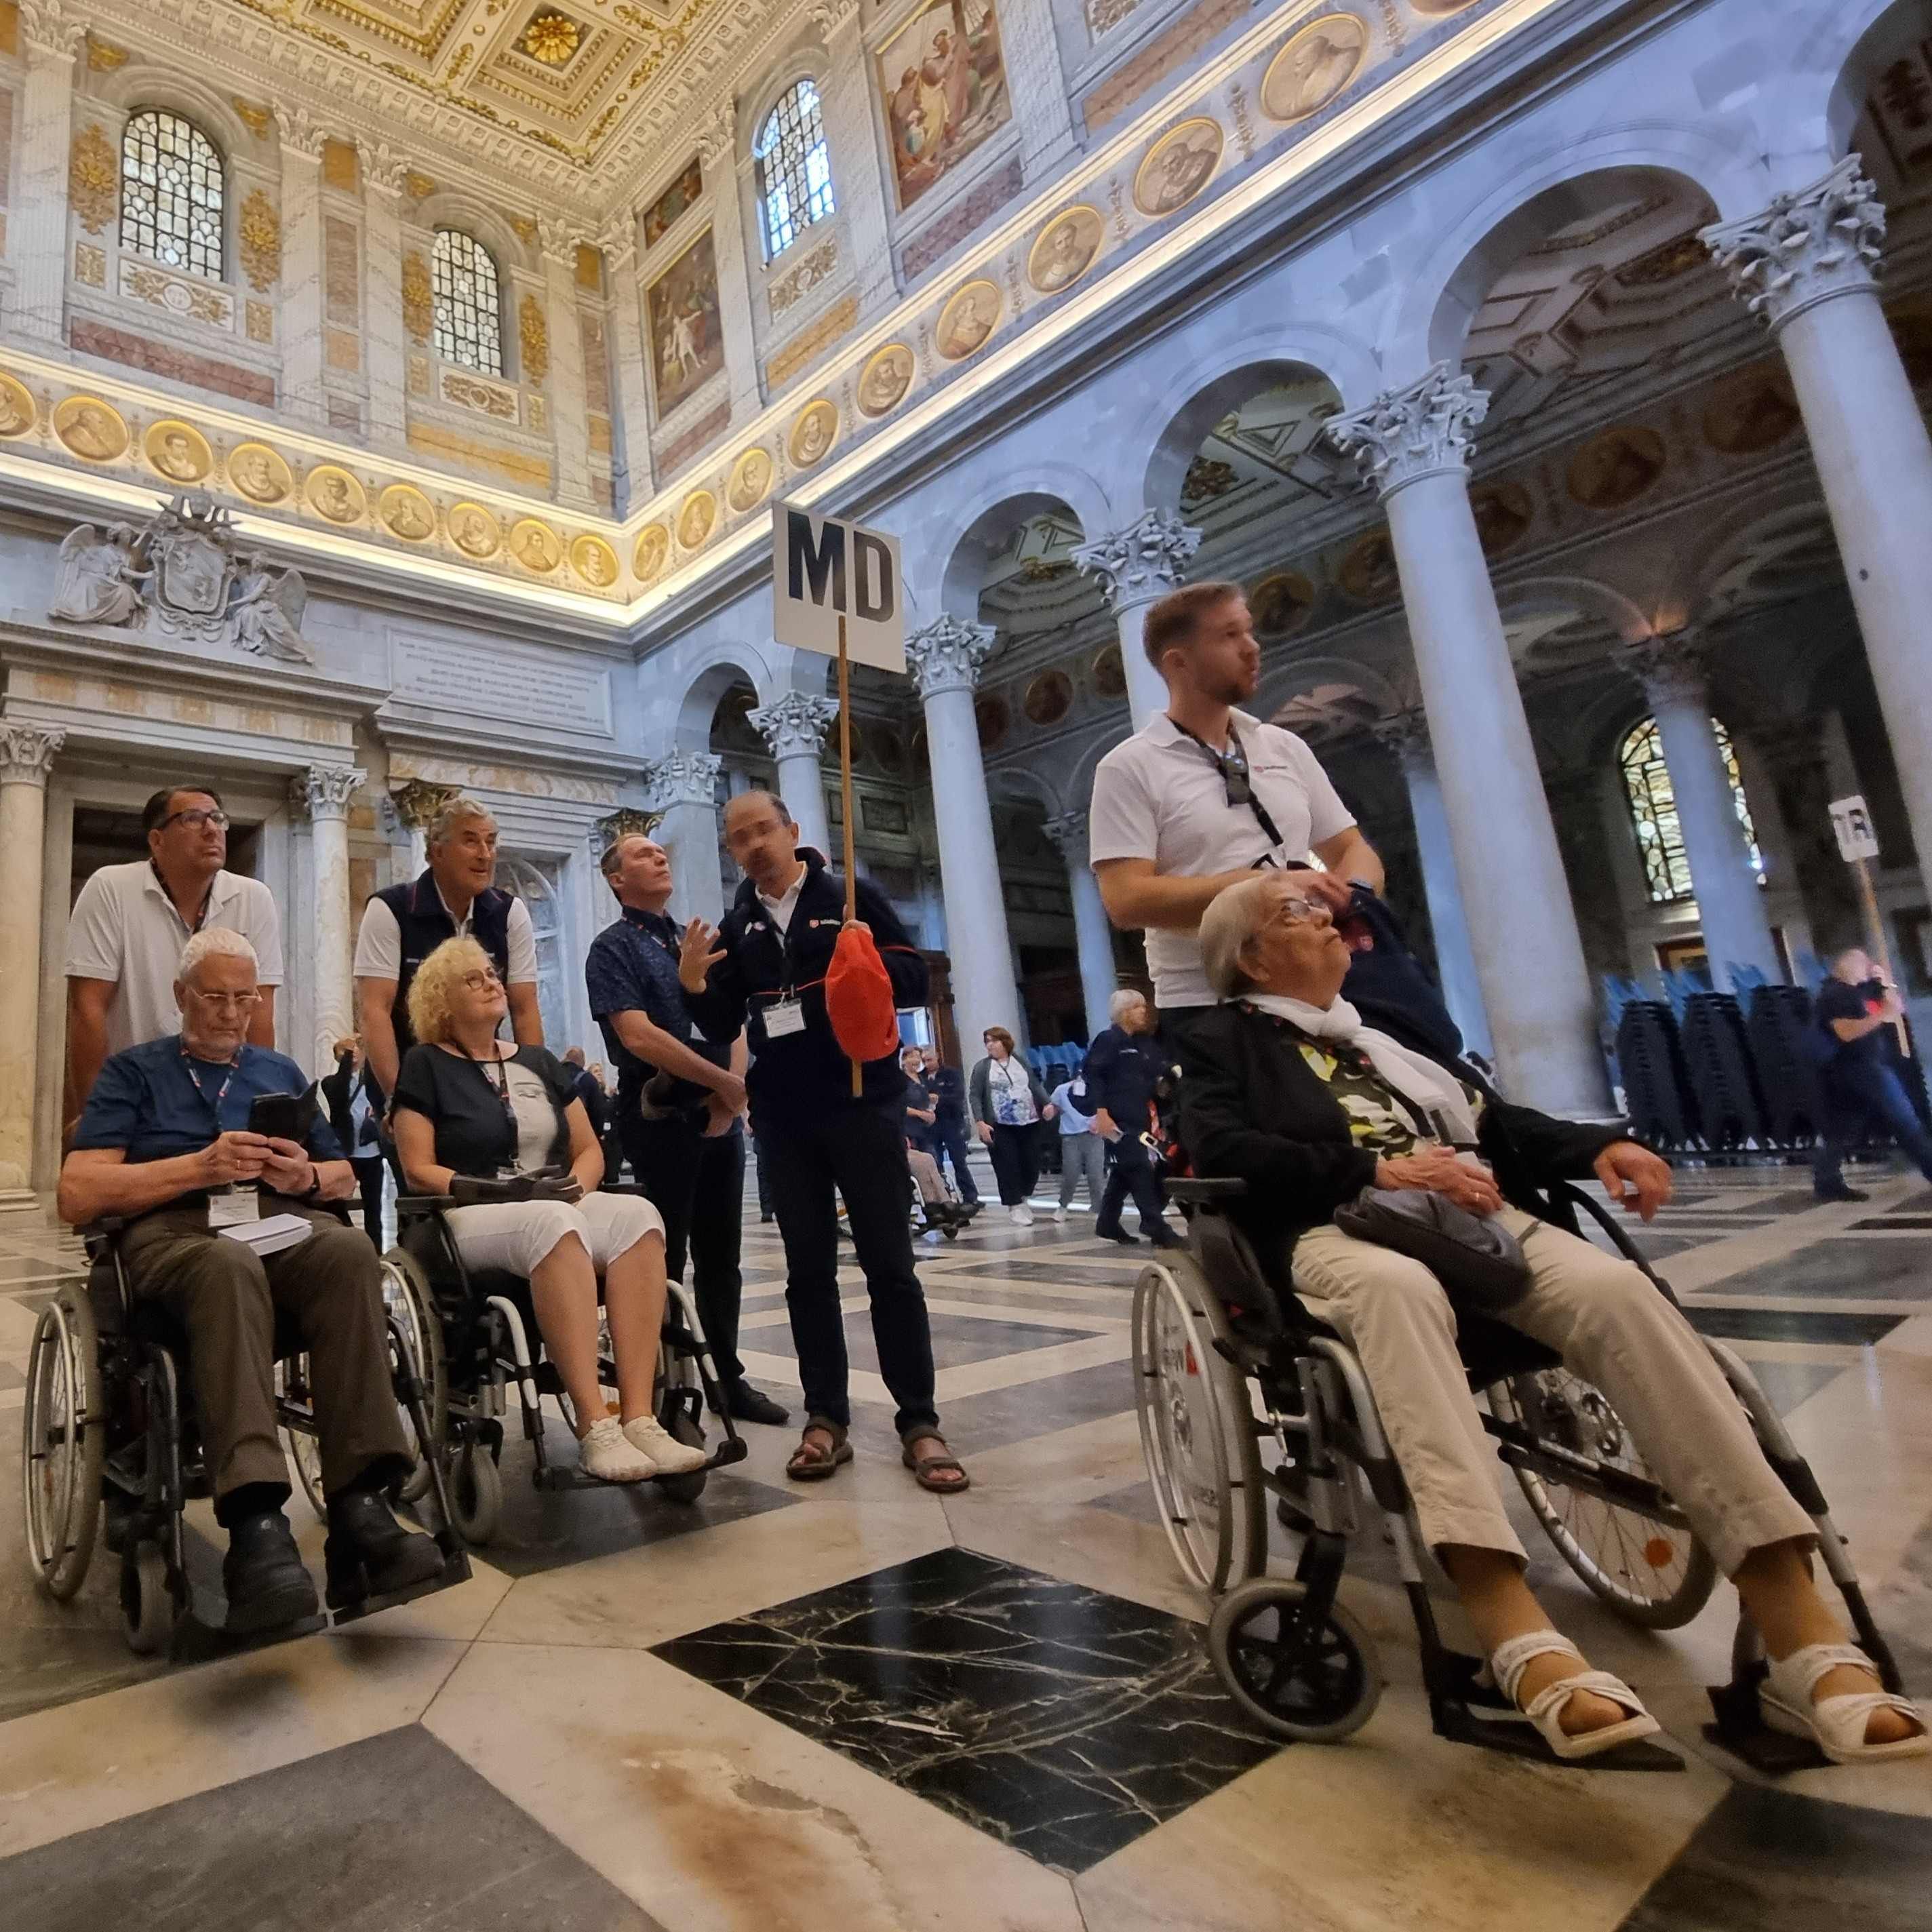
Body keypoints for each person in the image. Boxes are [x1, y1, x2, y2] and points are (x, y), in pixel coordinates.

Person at [1181, 876, 1926, 1765]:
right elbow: (1222, 1149)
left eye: (1318, 908)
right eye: (1291, 915)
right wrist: (1378, 1172)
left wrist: (1600, 1144)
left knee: (1616, 1295)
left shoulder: (1385, 1035)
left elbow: (1499, 1126)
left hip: (1472, 1217)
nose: (1324, 918)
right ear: (1252, 958)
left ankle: (1795, 1623)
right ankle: (1504, 1613)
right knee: (1397, 1291)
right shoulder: (1218, 1040)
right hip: (1336, 1228)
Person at [58, 930, 442, 1634]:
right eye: (216, 997)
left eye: (245, 997)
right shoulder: (134, 1071)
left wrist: (307, 1175)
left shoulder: (278, 1070)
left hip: (275, 1220)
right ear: (181, 997)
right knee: (226, 1264)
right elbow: (77, 1192)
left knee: (350, 1250)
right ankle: (256, 1521)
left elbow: (341, 1173)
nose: (233, 1012)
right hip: (173, 1231)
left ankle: (359, 1503)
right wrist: (197, 1167)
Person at [679, 791, 968, 1494]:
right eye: (738, 837)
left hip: (861, 1103)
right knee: (806, 1273)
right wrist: (691, 983)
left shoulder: (848, 896)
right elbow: (722, 1013)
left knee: (889, 1267)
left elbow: (915, 977)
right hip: (783, 1116)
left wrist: (861, 953)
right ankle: (824, 1417)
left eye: (762, 830)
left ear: (792, 831)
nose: (752, 844)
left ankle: (919, 1420)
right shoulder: (737, 923)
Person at [389, 937, 705, 1485]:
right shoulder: (425, 1065)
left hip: (554, 1203)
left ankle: (637, 1415)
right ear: (442, 999)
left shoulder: (538, 1061)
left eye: (492, 973)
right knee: (551, 1225)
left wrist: (574, 1189)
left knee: (639, 1218)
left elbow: (589, 1150)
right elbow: (418, 1166)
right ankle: (593, 1426)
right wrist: (495, 1193)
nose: (492, 982)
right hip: (470, 1211)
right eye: (474, 979)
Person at [1088, 581, 1383, 1070]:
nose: (1251, 647)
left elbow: (1352, 847)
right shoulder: (1128, 767)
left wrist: (1348, 892)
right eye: (1228, 636)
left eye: (1247, 632)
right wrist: (1266, 887)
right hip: (1210, 1000)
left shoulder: (1283, 747)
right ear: (1177, 662)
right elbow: (1125, 899)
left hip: (1320, 989)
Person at [585, 832, 786, 1427]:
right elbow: (638, 1035)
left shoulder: (694, 939)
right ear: (617, 878)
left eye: (659, 851)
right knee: (662, 1259)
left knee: (723, 1255)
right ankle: (665, 1386)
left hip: (720, 1112)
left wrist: (733, 1090)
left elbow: (736, 1018)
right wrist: (720, 1083)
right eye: (642, 854)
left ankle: (727, 1375)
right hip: (658, 1111)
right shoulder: (611, 947)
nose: (659, 856)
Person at [66, 784, 283, 1128]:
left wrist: (260, 1111)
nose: (212, 829)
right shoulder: (111, 888)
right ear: (157, 840)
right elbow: (87, 1009)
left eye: (217, 819)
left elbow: (259, 1011)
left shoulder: (253, 898)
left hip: (225, 1092)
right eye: (193, 819)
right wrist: (99, 1118)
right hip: (135, 1093)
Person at [354, 795, 543, 1109]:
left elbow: (524, 1008)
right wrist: (399, 1102)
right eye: (471, 841)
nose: (485, 855)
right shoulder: (390, 909)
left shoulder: (510, 912)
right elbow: (375, 1011)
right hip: (407, 1076)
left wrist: (534, 1092)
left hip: (484, 1084)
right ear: (436, 852)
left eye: (491, 842)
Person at [1809, 948, 1932, 1202]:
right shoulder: (1834, 995)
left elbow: (1895, 1005)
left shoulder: (1859, 992)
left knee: (1843, 1128)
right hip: (1860, 1068)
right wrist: (1882, 1014)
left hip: (1862, 1069)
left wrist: (1884, 982)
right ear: (1846, 968)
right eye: (1862, 962)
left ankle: (1826, 1182)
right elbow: (1845, 1032)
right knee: (1906, 1121)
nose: (1868, 966)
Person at [1081, 989, 1183, 1247]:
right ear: (1125, 1012)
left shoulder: (1142, 1044)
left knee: (1129, 1170)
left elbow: (1157, 1073)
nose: (1144, 1012)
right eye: (1138, 1007)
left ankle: (1107, 1222)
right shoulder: (1108, 1040)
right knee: (1137, 1167)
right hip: (1118, 1119)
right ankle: (1155, 1224)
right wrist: (1101, 1112)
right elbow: (1093, 1075)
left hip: (1144, 1119)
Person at [970, 1028, 1054, 1225]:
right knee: (1007, 1164)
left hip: (1028, 1121)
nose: (990, 1045)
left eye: (995, 1041)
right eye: (987, 1042)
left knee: (1031, 1163)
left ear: (1005, 1042)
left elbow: (1033, 1084)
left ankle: (1024, 1196)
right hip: (1000, 1124)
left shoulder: (1020, 1061)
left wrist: (1048, 1102)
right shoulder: (982, 1068)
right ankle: (1014, 1204)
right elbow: (975, 1095)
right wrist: (980, 1121)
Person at [321, 1033, 386, 1248]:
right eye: (348, 1052)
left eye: (358, 1050)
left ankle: (376, 1252)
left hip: (372, 1154)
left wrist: (368, 1046)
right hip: (347, 1154)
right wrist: (347, 1054)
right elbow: (339, 1092)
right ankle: (348, 1245)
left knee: (373, 1210)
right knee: (338, 1204)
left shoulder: (372, 1082)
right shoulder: (331, 1084)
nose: (354, 1054)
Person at [920, 1044, 979, 1206]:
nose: (927, 1064)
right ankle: (944, 1197)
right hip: (931, 1124)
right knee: (935, 1161)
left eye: (930, 1060)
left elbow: (958, 1095)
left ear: (938, 1057)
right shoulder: (920, 1078)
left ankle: (970, 1196)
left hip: (951, 1121)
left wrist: (938, 1099)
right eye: (924, 1061)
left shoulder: (951, 1074)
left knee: (959, 1159)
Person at [1048, 1067, 1106, 1223]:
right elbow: (1054, 1107)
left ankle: (1098, 1207)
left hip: (1094, 1137)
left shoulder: (1100, 1090)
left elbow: (1109, 1109)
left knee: (1096, 1175)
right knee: (1071, 1174)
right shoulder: (1062, 1090)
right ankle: (1063, 1205)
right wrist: (1050, 1111)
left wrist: (1100, 1122)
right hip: (1071, 1138)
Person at [560, 1046, 611, 1145]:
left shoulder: (553, 1075)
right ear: (583, 1061)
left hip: (558, 1137)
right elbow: (598, 1112)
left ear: (565, 1058)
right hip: (582, 1137)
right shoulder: (588, 1079)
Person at [901, 1046, 937, 1153]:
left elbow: (925, 1102)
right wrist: (920, 1114)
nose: (916, 1060)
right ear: (904, 1060)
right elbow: (899, 1106)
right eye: (912, 1057)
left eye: (918, 1057)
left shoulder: (922, 1079)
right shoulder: (901, 1081)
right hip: (909, 1131)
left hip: (925, 1130)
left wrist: (931, 1113)